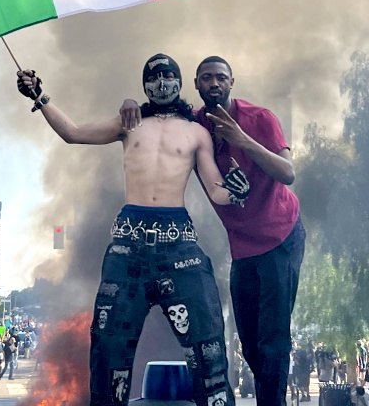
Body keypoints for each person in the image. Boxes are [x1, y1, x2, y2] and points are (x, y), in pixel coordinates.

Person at [18, 53, 250, 406]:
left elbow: (215, 187)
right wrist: (40, 96)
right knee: (109, 349)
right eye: (154, 76)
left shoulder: (196, 132)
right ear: (144, 84)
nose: (162, 82)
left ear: (179, 81)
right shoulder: (129, 122)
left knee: (207, 345)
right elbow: (74, 133)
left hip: (180, 244)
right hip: (129, 243)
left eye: (168, 75)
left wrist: (236, 191)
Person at [120, 55, 303, 406]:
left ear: (231, 82)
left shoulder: (259, 118)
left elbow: (288, 173)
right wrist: (131, 105)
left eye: (220, 77)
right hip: (244, 250)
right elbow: (159, 113)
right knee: (249, 342)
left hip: (280, 237)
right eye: (206, 78)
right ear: (197, 85)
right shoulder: (197, 123)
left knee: (273, 338)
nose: (214, 83)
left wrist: (243, 140)